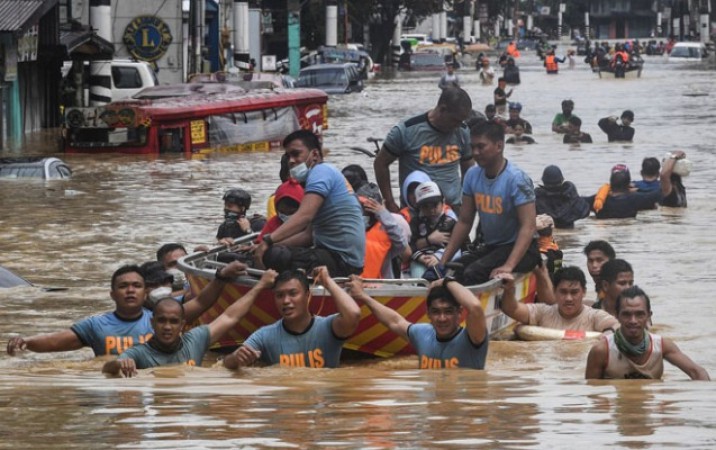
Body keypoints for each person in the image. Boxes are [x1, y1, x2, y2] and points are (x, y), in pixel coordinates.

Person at [6, 262, 248, 357]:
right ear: (113, 294)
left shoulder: (163, 320)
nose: (130, 291)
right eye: (123, 286)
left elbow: (203, 303)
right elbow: (56, 342)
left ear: (145, 292)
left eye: (136, 286)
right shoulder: (96, 325)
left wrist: (220, 277)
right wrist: (24, 341)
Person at [102, 270, 277, 377]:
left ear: (183, 325)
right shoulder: (138, 353)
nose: (167, 327)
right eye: (161, 321)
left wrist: (259, 286)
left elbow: (229, 317)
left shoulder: (195, 339)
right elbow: (107, 370)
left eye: (173, 322)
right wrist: (117, 365)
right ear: (152, 323)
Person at [440, 120, 540, 285]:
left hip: (523, 249)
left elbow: (528, 227)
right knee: (456, 269)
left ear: (499, 146)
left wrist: (508, 266)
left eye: (481, 147)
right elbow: (465, 221)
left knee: (474, 272)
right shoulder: (472, 175)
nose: (476, 152)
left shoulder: (516, 179)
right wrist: (442, 262)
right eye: (473, 147)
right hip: (492, 247)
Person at [255, 130, 365, 277]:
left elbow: (304, 216)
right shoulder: (322, 175)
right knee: (272, 251)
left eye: (296, 154)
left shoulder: (321, 172)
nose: (291, 161)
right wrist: (267, 245)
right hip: (338, 258)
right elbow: (308, 236)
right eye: (288, 156)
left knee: (275, 256)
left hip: (342, 262)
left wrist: (267, 242)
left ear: (314, 155)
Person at [223, 267, 361, 369]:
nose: (286, 301)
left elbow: (353, 314)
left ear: (307, 295)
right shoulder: (265, 335)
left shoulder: (328, 327)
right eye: (279, 295)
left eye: (293, 293)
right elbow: (225, 364)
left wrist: (328, 282)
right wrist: (236, 359)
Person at [347, 275, 489, 369]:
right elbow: (394, 321)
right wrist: (363, 296)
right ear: (428, 314)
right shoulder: (423, 334)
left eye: (448, 312)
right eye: (436, 312)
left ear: (459, 313)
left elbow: (475, 307)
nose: (442, 318)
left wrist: (447, 281)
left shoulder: (473, 337)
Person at [374, 87, 474, 215]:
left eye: (462, 121)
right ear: (442, 110)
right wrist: (390, 202)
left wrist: (466, 203)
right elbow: (380, 164)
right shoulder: (406, 130)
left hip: (453, 211)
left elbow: (469, 171)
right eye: (455, 120)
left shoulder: (463, 131)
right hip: (416, 212)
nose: (457, 126)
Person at [585, 286, 710, 380]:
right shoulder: (601, 350)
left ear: (649, 316)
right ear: (617, 315)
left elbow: (697, 372)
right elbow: (593, 392)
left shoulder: (662, 346)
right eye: (627, 314)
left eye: (639, 314)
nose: (633, 321)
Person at [497, 267, 618, 332]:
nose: (568, 298)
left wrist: (608, 335)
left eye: (574, 292)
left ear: (584, 292)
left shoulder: (594, 317)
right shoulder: (543, 312)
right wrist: (509, 290)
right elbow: (512, 309)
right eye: (563, 292)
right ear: (554, 291)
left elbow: (615, 326)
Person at [357, 182, 408, 279]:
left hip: (382, 286)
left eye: (370, 207)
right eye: (362, 206)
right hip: (355, 283)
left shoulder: (387, 226)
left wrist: (382, 213)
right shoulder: (351, 226)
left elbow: (402, 243)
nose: (365, 210)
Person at [408, 181, 458, 280]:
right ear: (418, 207)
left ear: (443, 202)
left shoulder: (451, 222)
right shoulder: (415, 223)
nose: (431, 210)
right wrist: (421, 258)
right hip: (421, 260)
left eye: (435, 205)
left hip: (446, 260)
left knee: (451, 277)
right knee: (419, 279)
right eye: (425, 206)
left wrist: (438, 256)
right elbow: (410, 246)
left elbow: (461, 246)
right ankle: (419, 292)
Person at [586, 164, 671, 219]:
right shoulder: (636, 198)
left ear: (610, 182)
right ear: (629, 183)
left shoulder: (596, 200)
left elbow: (577, 202)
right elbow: (663, 191)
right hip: (628, 235)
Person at [257, 179, 304, 243]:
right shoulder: (273, 222)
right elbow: (259, 243)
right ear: (277, 209)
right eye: (282, 212)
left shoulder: (306, 224)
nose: (286, 216)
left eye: (291, 212)